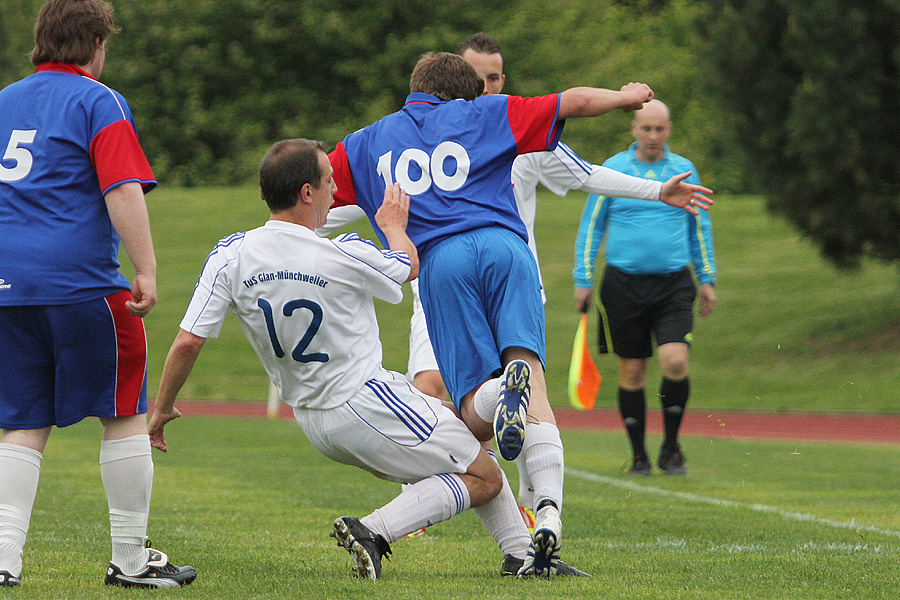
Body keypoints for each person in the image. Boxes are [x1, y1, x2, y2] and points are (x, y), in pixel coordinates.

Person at [326, 51, 711, 577]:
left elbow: (316, 191)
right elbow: (572, 103)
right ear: (465, 95)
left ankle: (495, 397)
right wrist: (625, 97)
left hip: (443, 261)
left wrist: (281, 237)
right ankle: (544, 523)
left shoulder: (366, 141)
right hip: (508, 250)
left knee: (469, 416)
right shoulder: (488, 113)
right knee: (534, 384)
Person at [147, 139, 588, 580]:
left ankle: (520, 554)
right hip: (367, 400)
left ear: (264, 194)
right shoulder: (342, 252)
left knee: (461, 437)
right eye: (328, 181)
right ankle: (376, 528)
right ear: (307, 193)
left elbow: (188, 342)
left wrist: (162, 408)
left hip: (311, 419)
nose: (335, 189)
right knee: (486, 473)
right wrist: (394, 224)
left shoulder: (230, 253)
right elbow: (406, 266)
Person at [455, 31, 713, 518]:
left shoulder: (519, 125)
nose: (485, 87)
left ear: (502, 79)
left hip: (514, 281)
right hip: (448, 285)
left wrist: (657, 193)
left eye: (492, 78)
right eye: (475, 78)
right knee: (444, 394)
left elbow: (584, 174)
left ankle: (535, 513)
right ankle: (429, 497)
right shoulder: (428, 131)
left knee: (526, 393)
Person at [0, 0, 195, 589]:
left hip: (8, 288)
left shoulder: (4, 101)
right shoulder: (96, 100)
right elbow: (121, 188)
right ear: (93, 45)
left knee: (21, 423)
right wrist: (148, 269)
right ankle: (130, 558)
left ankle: (4, 559)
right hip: (81, 282)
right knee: (124, 413)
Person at [573, 99, 717, 477]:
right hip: (622, 286)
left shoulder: (683, 170)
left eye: (660, 129)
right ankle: (639, 455)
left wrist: (707, 278)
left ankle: (671, 448)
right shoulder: (614, 171)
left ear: (669, 129)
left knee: (675, 360)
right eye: (646, 129)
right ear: (633, 130)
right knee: (633, 372)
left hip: (673, 285)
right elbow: (592, 227)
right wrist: (582, 278)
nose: (653, 136)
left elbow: (698, 227)